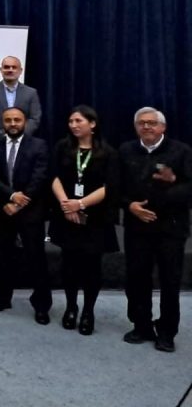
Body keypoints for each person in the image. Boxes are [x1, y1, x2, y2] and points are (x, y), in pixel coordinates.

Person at [118, 107, 191, 353]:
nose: (146, 127)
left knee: (170, 281)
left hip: (171, 228)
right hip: (137, 226)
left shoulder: (181, 151)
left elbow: (190, 189)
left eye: (151, 123)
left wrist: (171, 186)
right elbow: (115, 187)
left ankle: (167, 332)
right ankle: (141, 326)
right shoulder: (126, 150)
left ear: (163, 127)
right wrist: (131, 206)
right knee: (137, 278)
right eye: (141, 123)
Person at [50, 105, 119, 337]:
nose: (73, 125)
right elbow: (54, 177)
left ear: (92, 124)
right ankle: (71, 307)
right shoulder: (62, 147)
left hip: (95, 218)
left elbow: (109, 187)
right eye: (70, 121)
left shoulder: (108, 152)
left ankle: (88, 311)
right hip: (66, 214)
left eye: (78, 121)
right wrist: (65, 204)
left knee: (91, 267)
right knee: (68, 264)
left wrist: (80, 204)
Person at [0, 107, 52, 323]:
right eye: (8, 120)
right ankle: (2, 298)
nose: (13, 124)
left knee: (36, 258)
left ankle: (42, 305)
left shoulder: (39, 145)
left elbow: (40, 177)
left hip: (30, 211)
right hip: (2, 208)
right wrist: (11, 196)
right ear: (2, 122)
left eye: (17, 120)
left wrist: (21, 201)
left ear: (25, 122)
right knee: (2, 256)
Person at [0, 56, 43, 139]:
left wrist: (20, 135)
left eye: (14, 67)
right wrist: (0, 135)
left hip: (23, 143)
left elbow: (34, 118)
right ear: (1, 70)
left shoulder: (31, 93)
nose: (10, 70)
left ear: (20, 71)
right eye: (6, 67)